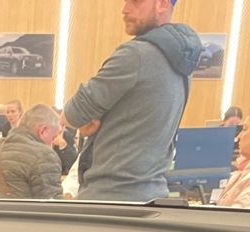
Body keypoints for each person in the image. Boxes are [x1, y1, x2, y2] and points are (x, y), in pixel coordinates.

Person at [62, 0, 202, 202]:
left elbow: (72, 114)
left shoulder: (135, 55)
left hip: (110, 198)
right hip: (152, 196)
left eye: (135, 1)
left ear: (162, 4)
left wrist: (87, 120)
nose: (125, 9)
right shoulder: (183, 63)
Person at [0, 104, 64, 200]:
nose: (53, 143)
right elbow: (53, 204)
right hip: (18, 210)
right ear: (43, 130)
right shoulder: (45, 155)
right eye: (53, 137)